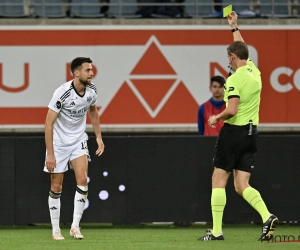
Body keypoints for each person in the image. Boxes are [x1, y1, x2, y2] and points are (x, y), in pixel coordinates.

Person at [198, 12, 278, 241]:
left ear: (233, 57)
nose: (228, 61)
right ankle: (267, 216)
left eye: (229, 57)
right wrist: (234, 27)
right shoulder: (254, 71)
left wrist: (216, 118)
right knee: (242, 185)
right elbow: (243, 48)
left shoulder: (233, 80)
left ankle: (216, 232)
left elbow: (232, 109)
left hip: (234, 133)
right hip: (252, 134)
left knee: (218, 179)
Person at [44, 57, 105, 240]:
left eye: (91, 69)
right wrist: (51, 154)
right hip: (59, 143)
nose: (91, 73)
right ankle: (56, 230)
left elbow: (93, 112)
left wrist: (99, 138)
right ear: (76, 73)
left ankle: (75, 227)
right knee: (56, 186)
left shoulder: (91, 91)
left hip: (78, 140)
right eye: (87, 70)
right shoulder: (62, 93)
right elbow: (48, 124)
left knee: (83, 179)